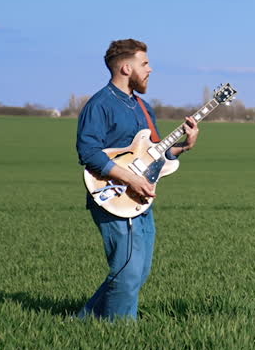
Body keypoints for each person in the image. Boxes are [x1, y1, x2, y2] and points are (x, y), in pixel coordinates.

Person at [75, 39, 199, 319]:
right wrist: (130, 179)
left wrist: (184, 146)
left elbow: (154, 154)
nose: (150, 69)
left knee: (137, 271)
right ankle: (122, 332)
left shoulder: (143, 107)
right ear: (126, 67)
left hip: (141, 197)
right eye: (145, 64)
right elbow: (88, 151)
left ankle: (83, 320)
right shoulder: (100, 104)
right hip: (112, 195)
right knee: (127, 270)